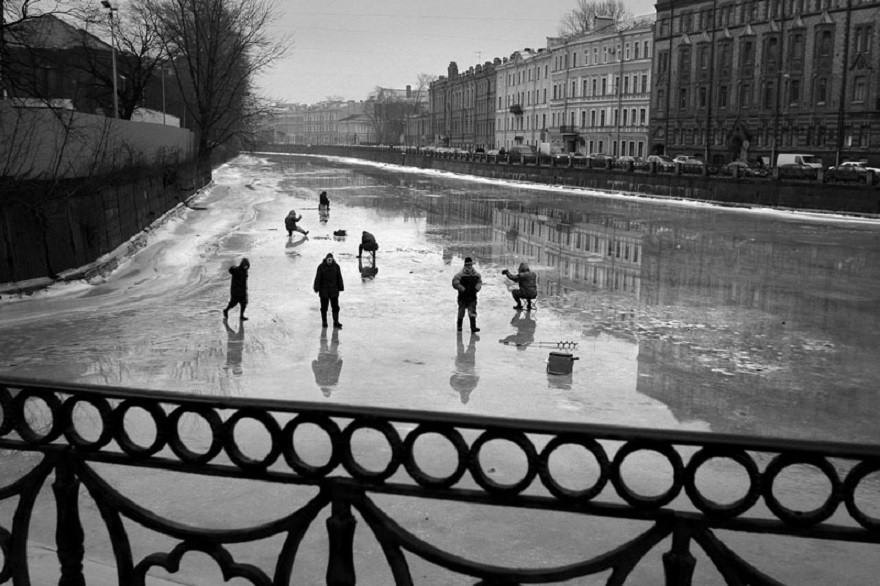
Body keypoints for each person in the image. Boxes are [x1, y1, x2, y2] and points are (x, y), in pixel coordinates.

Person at [313, 253, 344, 329]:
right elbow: (318, 278)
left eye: (331, 259)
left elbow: (339, 277)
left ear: (332, 259)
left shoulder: (336, 267)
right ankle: (324, 322)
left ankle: (336, 322)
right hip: (324, 291)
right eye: (328, 259)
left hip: (334, 291)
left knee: (335, 307)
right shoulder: (321, 267)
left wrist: (340, 287)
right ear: (326, 259)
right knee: (324, 308)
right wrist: (316, 288)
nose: (329, 261)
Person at [452, 257, 482, 333]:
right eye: (467, 265)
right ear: (465, 265)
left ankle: (473, 327)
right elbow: (455, 283)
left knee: (472, 312)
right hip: (463, 297)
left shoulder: (476, 274)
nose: (469, 266)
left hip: (472, 297)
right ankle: (459, 327)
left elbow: (479, 282)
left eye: (470, 265)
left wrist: (477, 288)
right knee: (461, 312)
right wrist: (463, 289)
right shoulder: (460, 274)